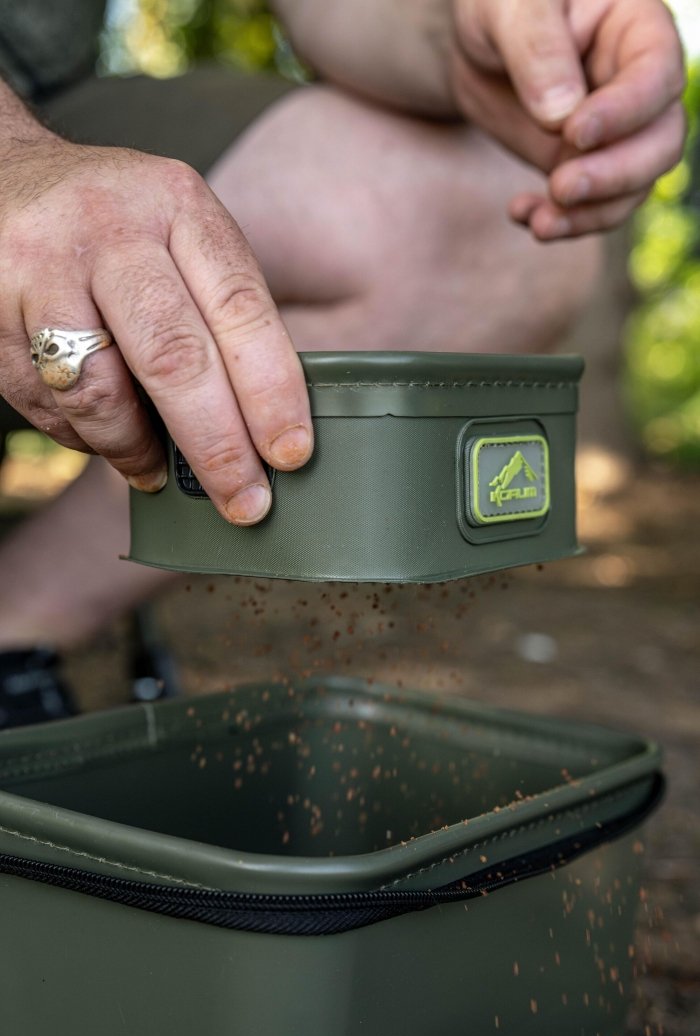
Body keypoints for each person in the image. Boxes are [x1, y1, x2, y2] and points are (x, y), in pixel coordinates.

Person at [0, 0, 687, 725]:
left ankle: (16, 634)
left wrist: (458, 27)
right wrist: (14, 164)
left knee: (498, 228)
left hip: (55, 102)